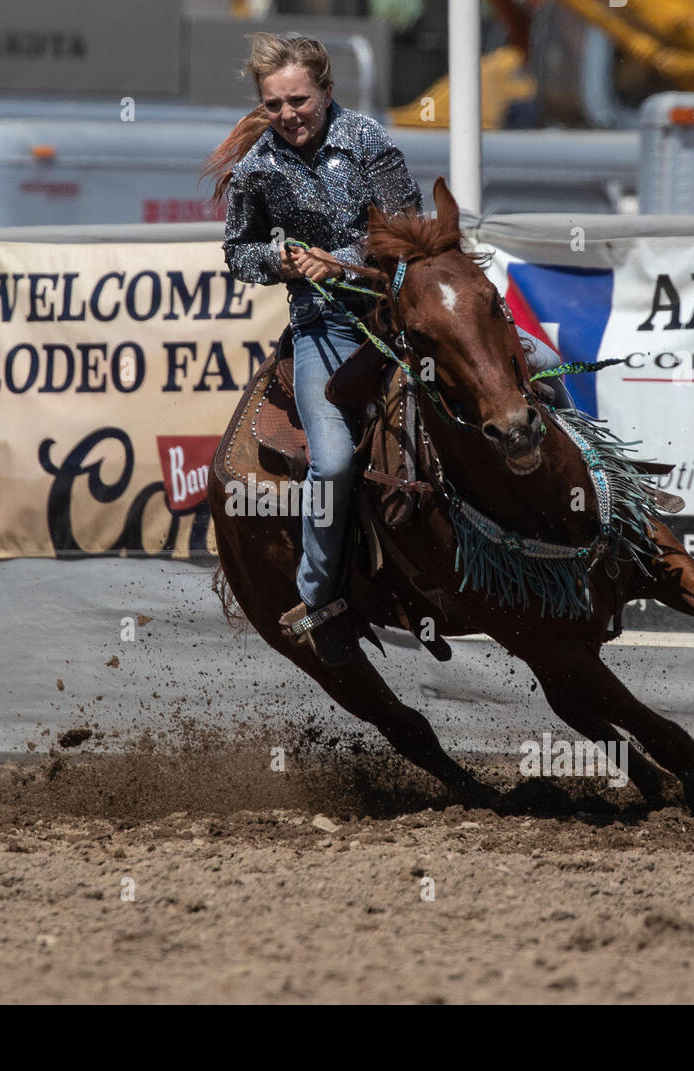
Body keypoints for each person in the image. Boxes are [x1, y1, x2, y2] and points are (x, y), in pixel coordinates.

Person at [206, 32, 567, 666]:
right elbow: (238, 252)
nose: (288, 114)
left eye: (298, 99)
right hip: (325, 331)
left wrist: (337, 259)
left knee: (540, 365)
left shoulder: (368, 140)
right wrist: (284, 259)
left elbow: (407, 233)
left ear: (325, 91)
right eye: (274, 104)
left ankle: (597, 509)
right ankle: (319, 595)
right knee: (335, 463)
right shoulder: (259, 168)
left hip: (402, 315)